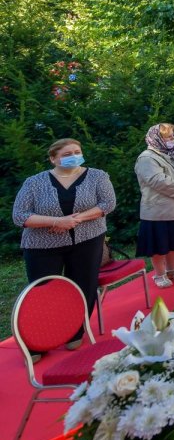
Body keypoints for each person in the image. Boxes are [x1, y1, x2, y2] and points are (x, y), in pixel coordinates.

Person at [13, 138, 116, 355]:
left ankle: (75, 331)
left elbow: (107, 204)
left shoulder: (98, 176)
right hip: (42, 245)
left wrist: (74, 220)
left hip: (87, 240)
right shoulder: (34, 182)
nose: (74, 156)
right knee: (43, 292)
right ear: (53, 159)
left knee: (84, 286)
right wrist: (56, 221)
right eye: (67, 154)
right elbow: (20, 216)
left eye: (77, 152)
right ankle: (38, 341)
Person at [135, 123, 174, 289]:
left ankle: (171, 269)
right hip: (158, 211)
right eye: (168, 136)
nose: (172, 139)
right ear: (157, 138)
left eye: (172, 136)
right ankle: (159, 274)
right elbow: (158, 181)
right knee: (159, 245)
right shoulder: (146, 158)